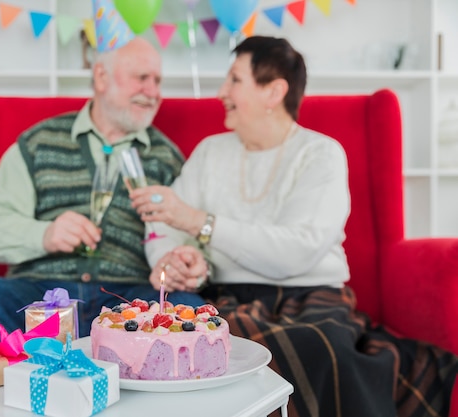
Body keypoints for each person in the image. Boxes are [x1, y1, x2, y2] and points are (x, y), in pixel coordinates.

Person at [129, 35, 458, 417]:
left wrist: (201, 224)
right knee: (218, 350)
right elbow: (165, 223)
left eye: (235, 80)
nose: (222, 92)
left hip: (312, 296)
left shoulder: (321, 153)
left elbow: (299, 250)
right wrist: (171, 256)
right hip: (229, 298)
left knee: (315, 346)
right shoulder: (209, 152)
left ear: (274, 91)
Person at [0, 37, 207, 385]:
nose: (152, 91)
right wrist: (45, 235)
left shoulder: (167, 157)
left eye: (157, 81)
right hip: (38, 294)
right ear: (101, 77)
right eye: (142, 78)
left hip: (128, 295)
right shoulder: (39, 141)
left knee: (189, 308)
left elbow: (183, 240)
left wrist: (180, 261)